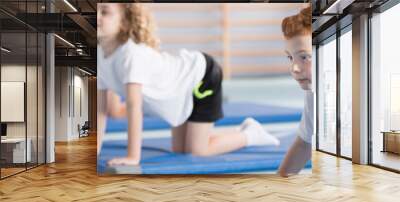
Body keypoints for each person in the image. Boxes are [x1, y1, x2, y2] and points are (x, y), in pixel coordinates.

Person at [97, 3, 280, 166]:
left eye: (105, 12)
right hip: (179, 90)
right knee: (180, 150)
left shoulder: (131, 54)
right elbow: (101, 110)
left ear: (124, 23)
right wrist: (94, 151)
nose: (96, 16)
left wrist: (132, 157)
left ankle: (251, 134)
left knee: (197, 151)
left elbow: (133, 106)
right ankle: (241, 131)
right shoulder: (99, 55)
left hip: (201, 78)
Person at [278, 5, 314, 177]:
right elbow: (304, 143)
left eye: (304, 57)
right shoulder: (312, 92)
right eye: (290, 57)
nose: (294, 68)